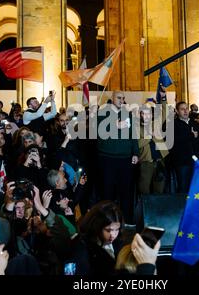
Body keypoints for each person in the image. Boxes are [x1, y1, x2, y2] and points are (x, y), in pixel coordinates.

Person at [97, 91, 139, 223]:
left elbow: (133, 135)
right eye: (119, 97)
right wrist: (115, 126)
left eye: (123, 98)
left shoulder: (128, 115)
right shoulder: (102, 114)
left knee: (126, 191)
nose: (122, 100)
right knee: (107, 191)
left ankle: (126, 219)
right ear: (112, 98)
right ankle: (106, 220)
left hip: (125, 159)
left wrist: (136, 153)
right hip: (107, 158)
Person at [71, 200, 124, 276]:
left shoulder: (118, 242)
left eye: (117, 229)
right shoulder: (81, 246)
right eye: (108, 230)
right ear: (97, 226)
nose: (113, 235)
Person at [168, 101, 199, 193]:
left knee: (195, 188)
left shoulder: (194, 123)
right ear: (177, 111)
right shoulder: (172, 124)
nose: (185, 111)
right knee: (183, 187)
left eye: (187, 108)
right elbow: (173, 141)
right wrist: (190, 135)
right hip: (181, 162)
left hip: (195, 161)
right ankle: (182, 207)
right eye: (182, 109)